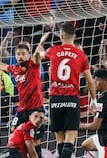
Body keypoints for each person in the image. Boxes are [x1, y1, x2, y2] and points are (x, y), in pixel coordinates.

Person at [0, 38, 47, 157]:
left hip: (35, 109)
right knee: (14, 135)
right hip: (22, 110)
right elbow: (3, 66)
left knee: (35, 141)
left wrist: (40, 43)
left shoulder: (33, 65)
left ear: (28, 54)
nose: (20, 56)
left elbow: (37, 56)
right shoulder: (15, 69)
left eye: (23, 54)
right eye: (18, 54)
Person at [40, 23, 97, 158]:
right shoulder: (81, 55)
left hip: (55, 98)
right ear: (74, 36)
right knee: (70, 140)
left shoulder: (53, 50)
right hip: (72, 98)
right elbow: (90, 81)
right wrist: (93, 99)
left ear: (61, 36)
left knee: (60, 140)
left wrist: (41, 43)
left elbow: (38, 55)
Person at [80, 69, 107, 158]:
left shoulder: (102, 102)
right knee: (86, 145)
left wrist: (76, 125)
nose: (94, 82)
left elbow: (95, 126)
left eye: (97, 80)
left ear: (105, 82)